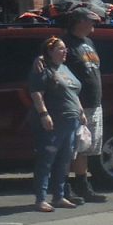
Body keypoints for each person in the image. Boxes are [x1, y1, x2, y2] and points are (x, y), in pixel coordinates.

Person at [29, 36, 86, 212]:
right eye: (60, 49)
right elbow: (36, 93)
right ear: (50, 51)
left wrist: (81, 111)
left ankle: (59, 196)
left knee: (64, 161)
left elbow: (73, 92)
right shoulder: (43, 69)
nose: (65, 51)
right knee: (47, 160)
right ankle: (40, 199)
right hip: (54, 122)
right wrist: (44, 114)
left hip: (72, 121)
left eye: (65, 48)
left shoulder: (66, 68)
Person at [62, 5, 107, 204]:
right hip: (75, 106)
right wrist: (75, 104)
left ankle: (83, 186)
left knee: (85, 148)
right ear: (79, 22)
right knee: (69, 148)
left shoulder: (88, 42)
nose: (93, 24)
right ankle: (63, 187)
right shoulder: (65, 44)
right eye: (90, 21)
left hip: (94, 104)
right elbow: (58, 74)